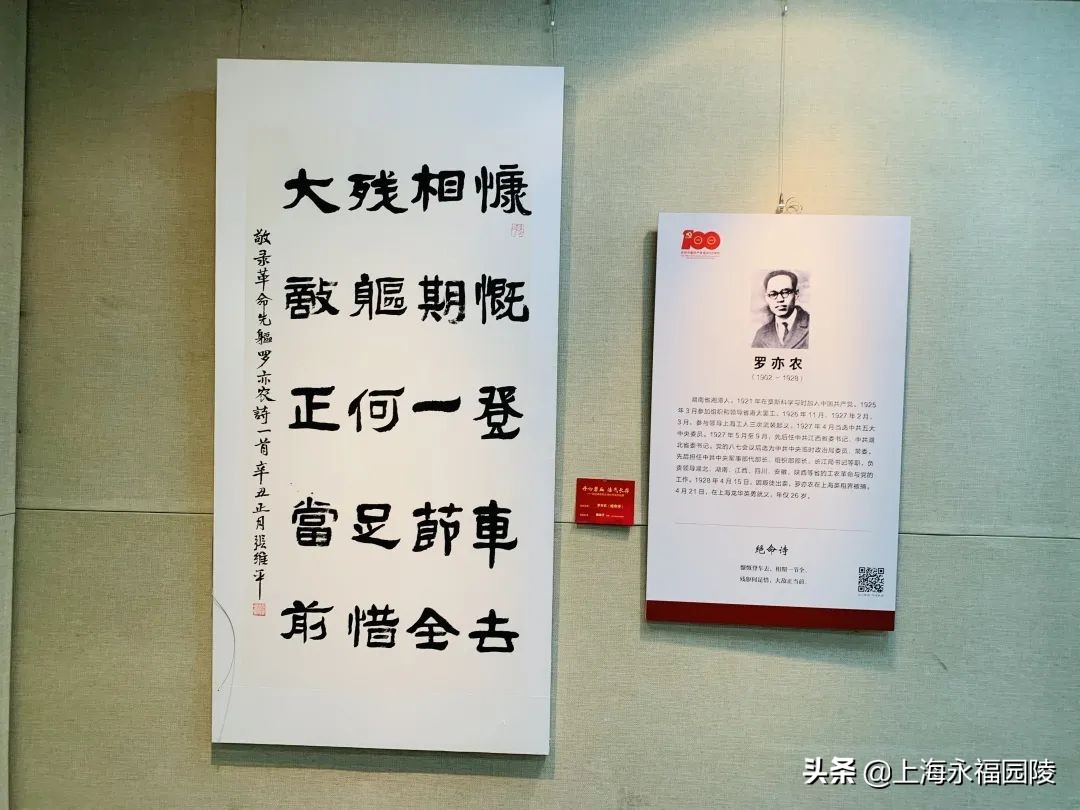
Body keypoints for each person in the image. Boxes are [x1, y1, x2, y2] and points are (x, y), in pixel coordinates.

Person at [751, 270, 809, 349]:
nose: (780, 299)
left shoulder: (812, 324)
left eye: (785, 292)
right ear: (767, 298)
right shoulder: (761, 334)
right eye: (773, 294)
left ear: (796, 294)